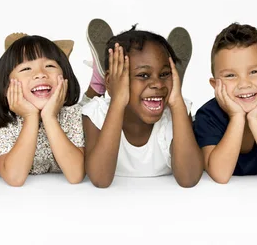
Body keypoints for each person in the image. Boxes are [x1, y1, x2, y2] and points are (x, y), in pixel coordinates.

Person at [82, 26, 203, 187]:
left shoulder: (176, 113)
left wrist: (177, 102)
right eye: (143, 75)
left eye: (164, 74)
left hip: (151, 99)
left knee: (163, 92)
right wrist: (118, 100)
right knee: (78, 108)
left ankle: (174, 79)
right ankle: (100, 78)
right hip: (109, 96)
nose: (157, 84)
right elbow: (100, 179)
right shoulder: (96, 114)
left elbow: (189, 179)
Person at [193, 23, 257, 184]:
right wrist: (237, 116)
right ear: (215, 86)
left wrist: (256, 120)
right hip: (252, 96)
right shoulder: (207, 116)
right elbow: (220, 175)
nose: (244, 83)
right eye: (230, 75)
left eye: (254, 72)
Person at [0, 34, 84, 186]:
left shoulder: (72, 114)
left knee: (94, 107)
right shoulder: (5, 121)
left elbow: (76, 175)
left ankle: (96, 82)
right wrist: (30, 116)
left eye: (50, 66)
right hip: (23, 203)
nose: (40, 74)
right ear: (7, 85)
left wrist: (50, 117)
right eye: (26, 68)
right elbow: (14, 178)